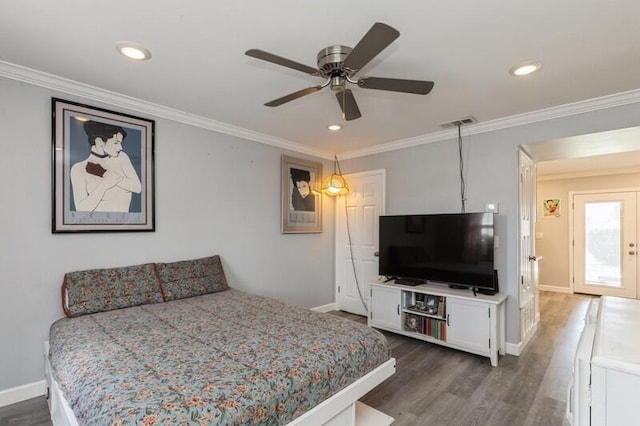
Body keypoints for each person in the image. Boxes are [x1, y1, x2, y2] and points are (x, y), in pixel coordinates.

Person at [70, 120, 141, 212]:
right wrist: (104, 185)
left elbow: (137, 188)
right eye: (116, 142)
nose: (121, 147)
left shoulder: (122, 158)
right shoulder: (78, 169)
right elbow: (81, 209)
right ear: (99, 142)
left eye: (120, 143)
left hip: (125, 224)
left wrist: (105, 173)